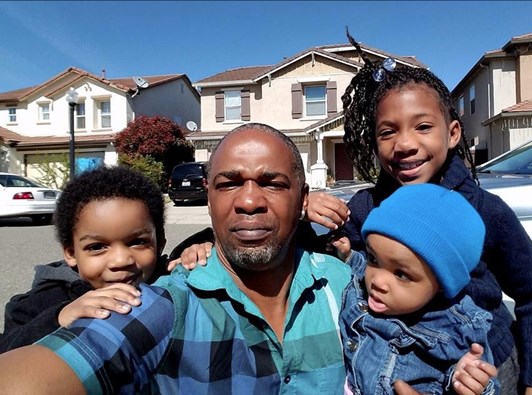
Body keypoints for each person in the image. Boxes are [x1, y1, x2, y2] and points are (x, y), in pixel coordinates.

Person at [0, 124, 496, 394]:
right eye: (229, 183)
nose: (250, 201)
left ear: (304, 198)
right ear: (209, 200)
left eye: (274, 183)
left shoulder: (351, 287)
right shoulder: (165, 302)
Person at [306, 30, 532, 394]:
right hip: (387, 369)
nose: (406, 144)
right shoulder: (367, 206)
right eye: (387, 132)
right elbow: (313, 249)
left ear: (453, 133)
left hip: (480, 372)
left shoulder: (485, 210)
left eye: (423, 127)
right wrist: (307, 210)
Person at [335, 183, 498, 394]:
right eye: (374, 259)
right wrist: (349, 256)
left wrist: (464, 380)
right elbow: (360, 268)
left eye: (401, 274)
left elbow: (484, 382)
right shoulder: (362, 289)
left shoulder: (457, 329)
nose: (377, 281)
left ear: (441, 283)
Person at [0, 166, 169, 353]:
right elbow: (6, 355)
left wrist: (194, 252)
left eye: (137, 242)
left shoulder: (169, 280)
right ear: (71, 253)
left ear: (159, 242)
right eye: (96, 247)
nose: (121, 260)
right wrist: (58, 318)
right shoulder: (35, 305)